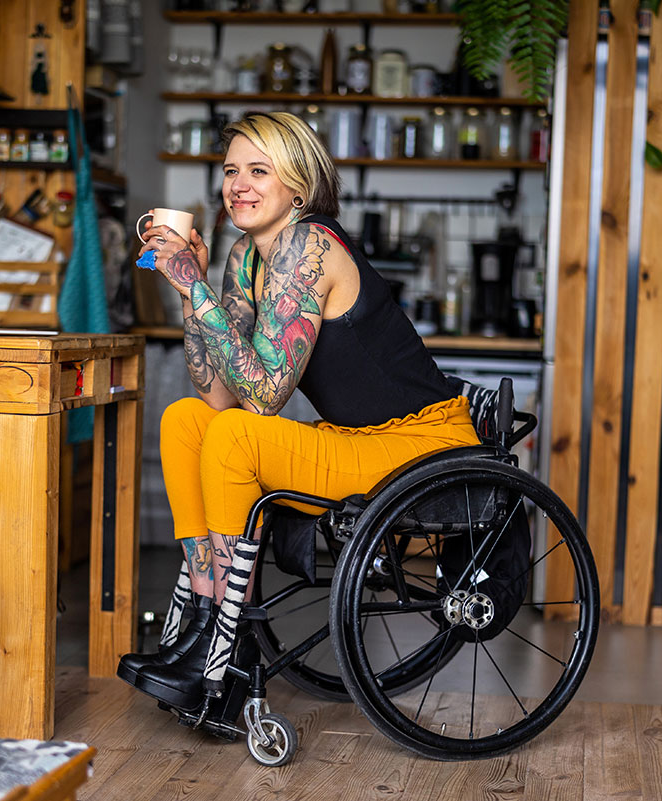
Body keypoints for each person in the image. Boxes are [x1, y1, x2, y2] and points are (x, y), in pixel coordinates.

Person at [117, 111, 480, 710]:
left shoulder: (308, 244)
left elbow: (263, 398)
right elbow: (220, 395)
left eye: (259, 171)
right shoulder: (247, 254)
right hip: (355, 439)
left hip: (420, 445)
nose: (239, 185)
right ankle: (204, 627)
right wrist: (192, 288)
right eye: (231, 171)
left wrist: (194, 289)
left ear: (298, 186)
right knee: (186, 421)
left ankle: (227, 654)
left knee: (235, 436)